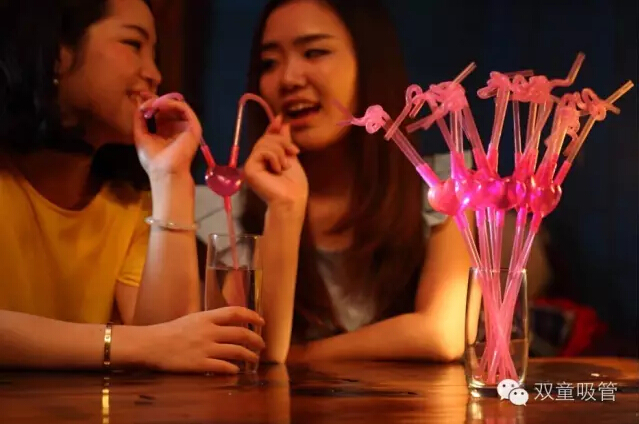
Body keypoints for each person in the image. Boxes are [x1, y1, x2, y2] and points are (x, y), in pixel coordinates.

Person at [197, 0, 475, 363]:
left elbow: (442, 334)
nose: (289, 78)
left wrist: (301, 356)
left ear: (369, 64)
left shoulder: (443, 188)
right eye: (269, 63)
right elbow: (247, 350)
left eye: (314, 52)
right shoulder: (225, 209)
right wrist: (284, 209)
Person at [0, 0, 264, 373]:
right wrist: (130, 344)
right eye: (133, 44)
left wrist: (171, 176)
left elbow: (172, 350)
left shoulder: (129, 205)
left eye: (154, 54)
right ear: (57, 53)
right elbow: (157, 345)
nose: (154, 74)